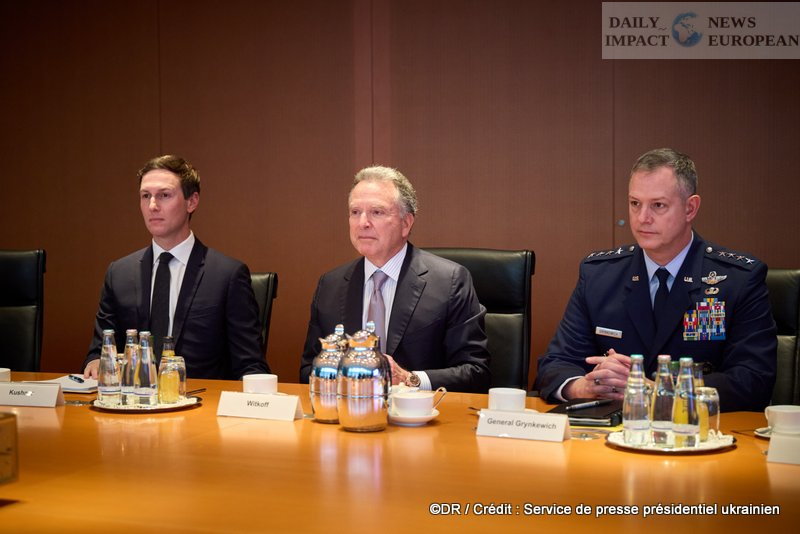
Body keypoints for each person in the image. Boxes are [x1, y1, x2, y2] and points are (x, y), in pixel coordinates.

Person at [535, 148, 776, 412]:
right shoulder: (599, 275)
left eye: (658, 205)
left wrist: (655, 392)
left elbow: (753, 380)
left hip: (696, 429)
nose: (642, 218)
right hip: (614, 429)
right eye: (635, 203)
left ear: (690, 208)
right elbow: (555, 364)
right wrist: (586, 386)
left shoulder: (737, 280)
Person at [299, 166, 490, 393]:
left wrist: (410, 379)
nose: (362, 222)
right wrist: (346, 376)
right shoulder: (330, 285)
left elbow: (476, 372)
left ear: (406, 223)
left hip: (422, 412)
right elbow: (308, 370)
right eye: (355, 212)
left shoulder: (450, 281)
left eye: (377, 212)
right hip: (352, 410)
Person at [83, 155, 269, 380]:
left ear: (192, 202)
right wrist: (95, 361)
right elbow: (100, 349)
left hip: (201, 398)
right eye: (145, 196)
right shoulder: (119, 273)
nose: (152, 206)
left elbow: (251, 365)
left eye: (164, 195)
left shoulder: (227, 276)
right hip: (134, 398)